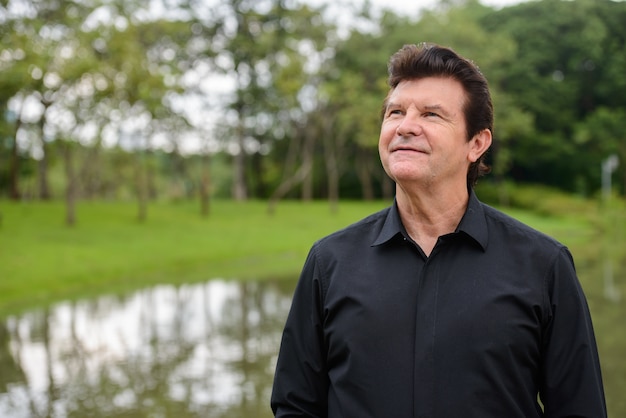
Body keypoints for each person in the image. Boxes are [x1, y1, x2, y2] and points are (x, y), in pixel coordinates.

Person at [270, 43, 606, 418]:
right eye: (395, 112)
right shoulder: (328, 262)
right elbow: (295, 405)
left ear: (476, 144)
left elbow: (580, 409)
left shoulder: (545, 265)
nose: (405, 126)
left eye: (431, 114)